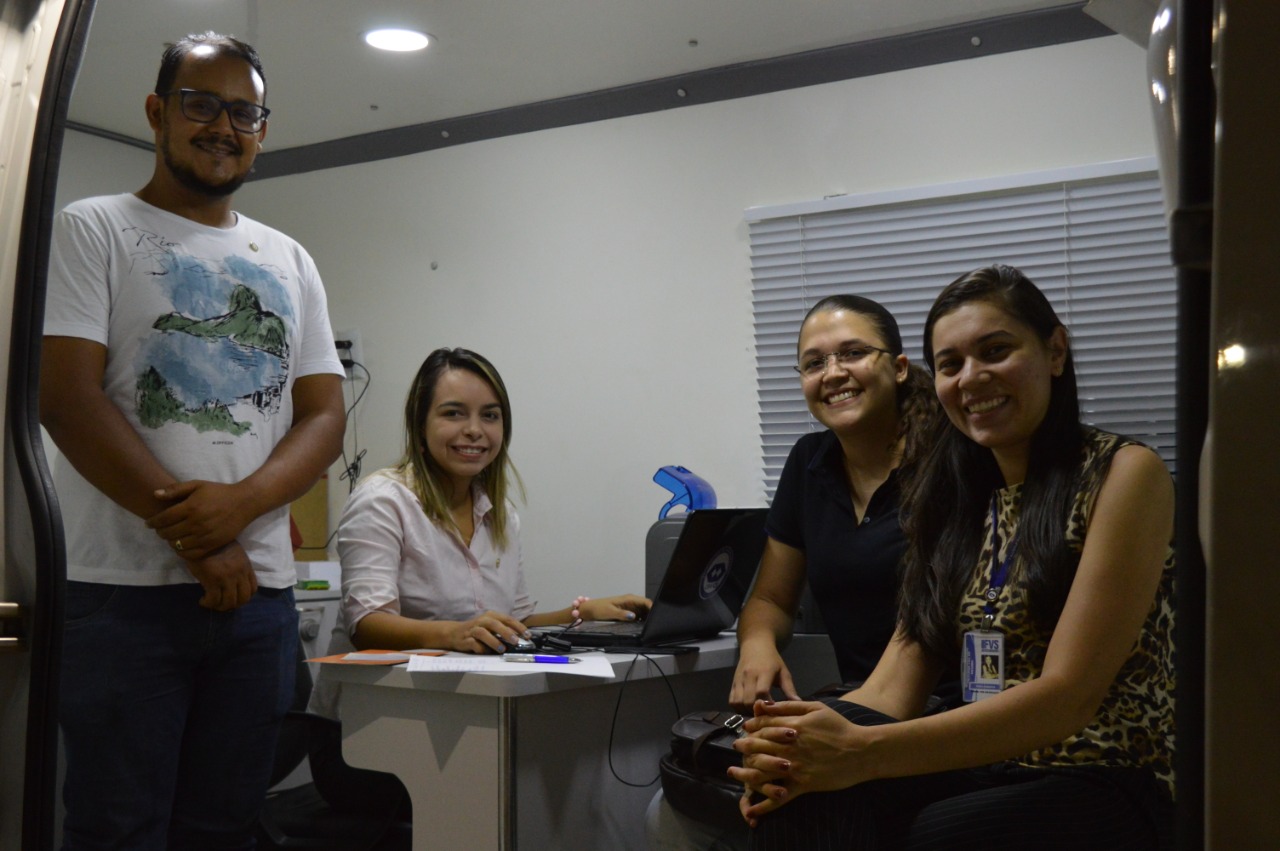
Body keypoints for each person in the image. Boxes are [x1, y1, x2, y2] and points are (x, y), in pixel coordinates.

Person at [731, 264, 1176, 850]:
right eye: (951, 364)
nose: (972, 378)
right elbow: (892, 690)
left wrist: (861, 751)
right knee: (794, 788)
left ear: (1055, 351)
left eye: (995, 351)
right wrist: (790, 744)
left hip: (1107, 772)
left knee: (929, 836)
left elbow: (1067, 699)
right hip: (990, 760)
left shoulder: (1123, 474)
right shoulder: (956, 496)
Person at [40, 32, 346, 850]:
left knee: (228, 828)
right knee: (118, 828)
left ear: (262, 130)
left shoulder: (289, 258)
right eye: (201, 104)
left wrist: (239, 509)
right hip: (121, 594)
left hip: (260, 598)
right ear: (157, 112)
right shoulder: (94, 228)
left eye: (244, 113)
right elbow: (66, 400)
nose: (223, 127)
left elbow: (324, 416)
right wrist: (198, 538)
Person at [647, 295, 953, 851]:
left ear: (899, 367)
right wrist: (757, 645)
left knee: (788, 791)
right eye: (814, 363)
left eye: (852, 353)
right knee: (675, 796)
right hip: (860, 700)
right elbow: (771, 599)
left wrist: (818, 732)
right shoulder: (810, 463)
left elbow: (920, 650)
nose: (833, 373)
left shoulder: (948, 462)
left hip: (942, 712)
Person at [313, 347, 648, 713]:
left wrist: (583, 616)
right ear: (420, 425)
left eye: (490, 415)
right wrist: (455, 633)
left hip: (460, 708)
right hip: (366, 715)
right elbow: (367, 625)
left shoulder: (501, 514)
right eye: (453, 413)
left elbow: (516, 624)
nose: (475, 430)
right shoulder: (382, 500)